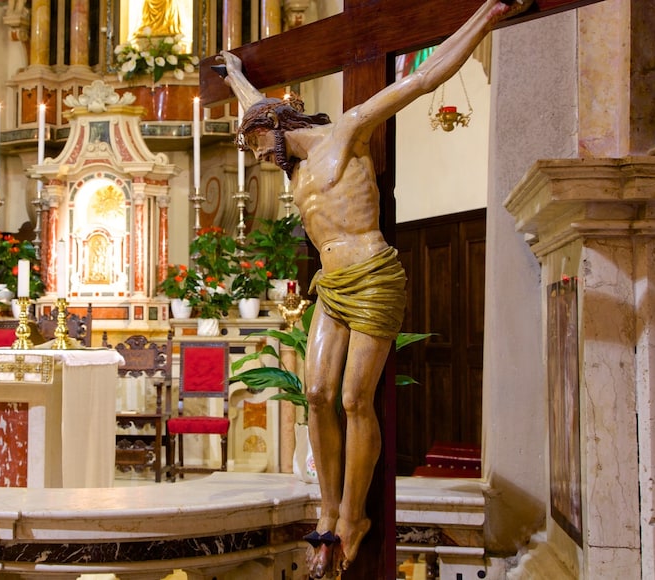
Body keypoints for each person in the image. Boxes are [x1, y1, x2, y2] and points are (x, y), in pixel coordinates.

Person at [219, 0, 530, 576]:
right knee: (315, 393)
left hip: (374, 275)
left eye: (258, 145)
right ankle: (328, 507)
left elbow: (424, 76)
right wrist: (236, 71)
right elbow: (249, 104)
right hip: (330, 285)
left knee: (355, 398)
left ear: (278, 128)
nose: (259, 158)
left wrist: (487, 14)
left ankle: (353, 517)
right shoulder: (290, 164)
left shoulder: (349, 132)